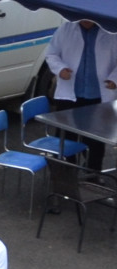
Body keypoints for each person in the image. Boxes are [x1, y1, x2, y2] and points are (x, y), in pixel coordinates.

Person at [45, 20, 117, 171]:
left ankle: (92, 174)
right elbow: (51, 54)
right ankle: (67, 173)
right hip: (69, 95)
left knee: (96, 140)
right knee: (66, 136)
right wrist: (60, 69)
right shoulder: (66, 28)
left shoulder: (111, 31)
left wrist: (114, 78)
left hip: (98, 96)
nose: (86, 21)